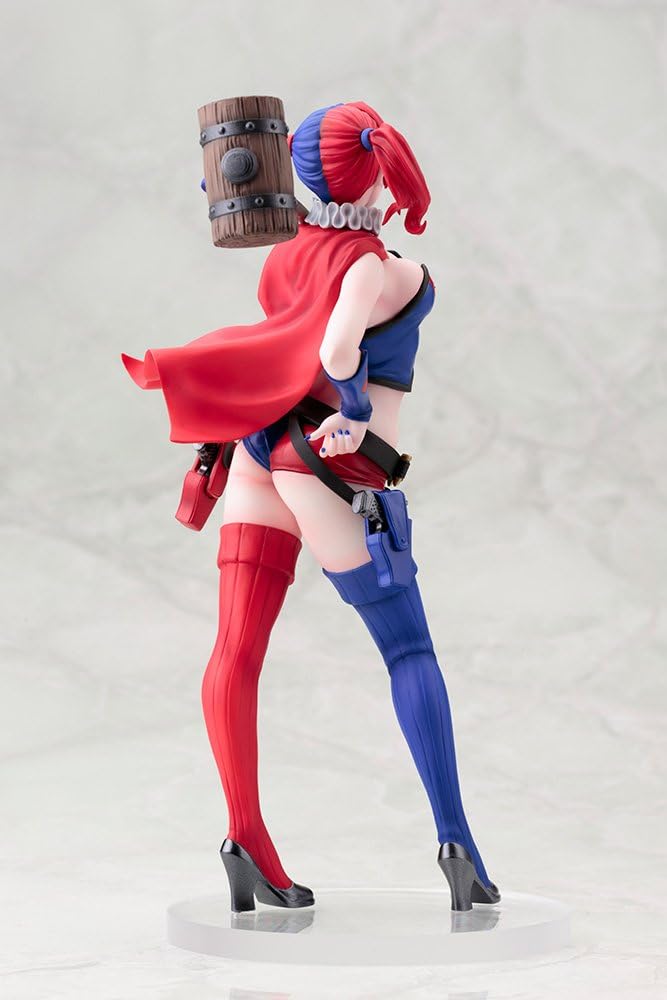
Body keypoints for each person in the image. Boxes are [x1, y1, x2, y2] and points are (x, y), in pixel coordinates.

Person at [122, 100, 500, 913]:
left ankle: (243, 836)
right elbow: (335, 349)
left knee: (236, 649)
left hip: (258, 453)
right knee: (408, 651)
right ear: (377, 169)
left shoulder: (289, 244)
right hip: (330, 468)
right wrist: (354, 409)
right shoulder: (383, 269)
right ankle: (455, 843)